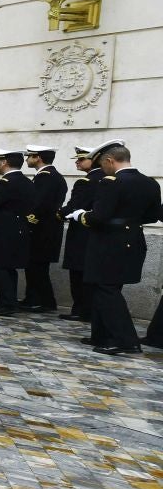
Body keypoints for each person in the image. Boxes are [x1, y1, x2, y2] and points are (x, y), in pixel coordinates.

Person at [74, 140, 160, 356]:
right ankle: (102, 335)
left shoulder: (110, 182)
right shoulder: (150, 182)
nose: (102, 169)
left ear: (110, 161)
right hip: (133, 240)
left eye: (103, 164)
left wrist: (80, 215)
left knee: (106, 290)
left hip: (109, 242)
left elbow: (99, 216)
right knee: (107, 288)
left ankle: (126, 340)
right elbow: (153, 215)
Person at [0, 150, 33, 316]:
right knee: (8, 268)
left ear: (4, 162)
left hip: (2, 230)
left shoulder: (5, 183)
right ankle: (5, 300)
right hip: (18, 228)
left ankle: (6, 302)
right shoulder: (26, 181)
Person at [61, 146, 102, 322]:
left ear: (94, 160)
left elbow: (73, 206)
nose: (77, 161)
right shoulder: (110, 179)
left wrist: (58, 214)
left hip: (81, 232)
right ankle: (89, 310)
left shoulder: (85, 182)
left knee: (78, 273)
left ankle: (80, 309)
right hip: (97, 234)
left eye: (82, 158)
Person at [24, 144, 65, 312]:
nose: (27, 159)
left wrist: (28, 220)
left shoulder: (46, 177)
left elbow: (39, 203)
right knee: (35, 266)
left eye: (30, 156)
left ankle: (45, 301)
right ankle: (33, 298)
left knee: (37, 267)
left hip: (42, 229)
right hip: (46, 228)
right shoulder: (51, 176)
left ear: (38, 158)